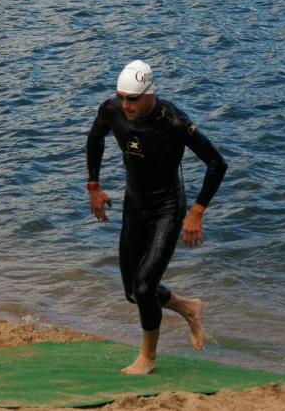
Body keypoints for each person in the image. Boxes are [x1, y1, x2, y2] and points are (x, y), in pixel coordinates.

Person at [86, 59, 227, 375]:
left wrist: (197, 212)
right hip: (135, 204)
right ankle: (189, 308)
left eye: (133, 99)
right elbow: (95, 138)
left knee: (144, 288)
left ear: (150, 93)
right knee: (133, 293)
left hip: (167, 208)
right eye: (122, 97)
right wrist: (93, 186)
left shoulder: (173, 121)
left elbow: (217, 163)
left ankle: (147, 357)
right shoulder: (112, 110)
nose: (126, 105)